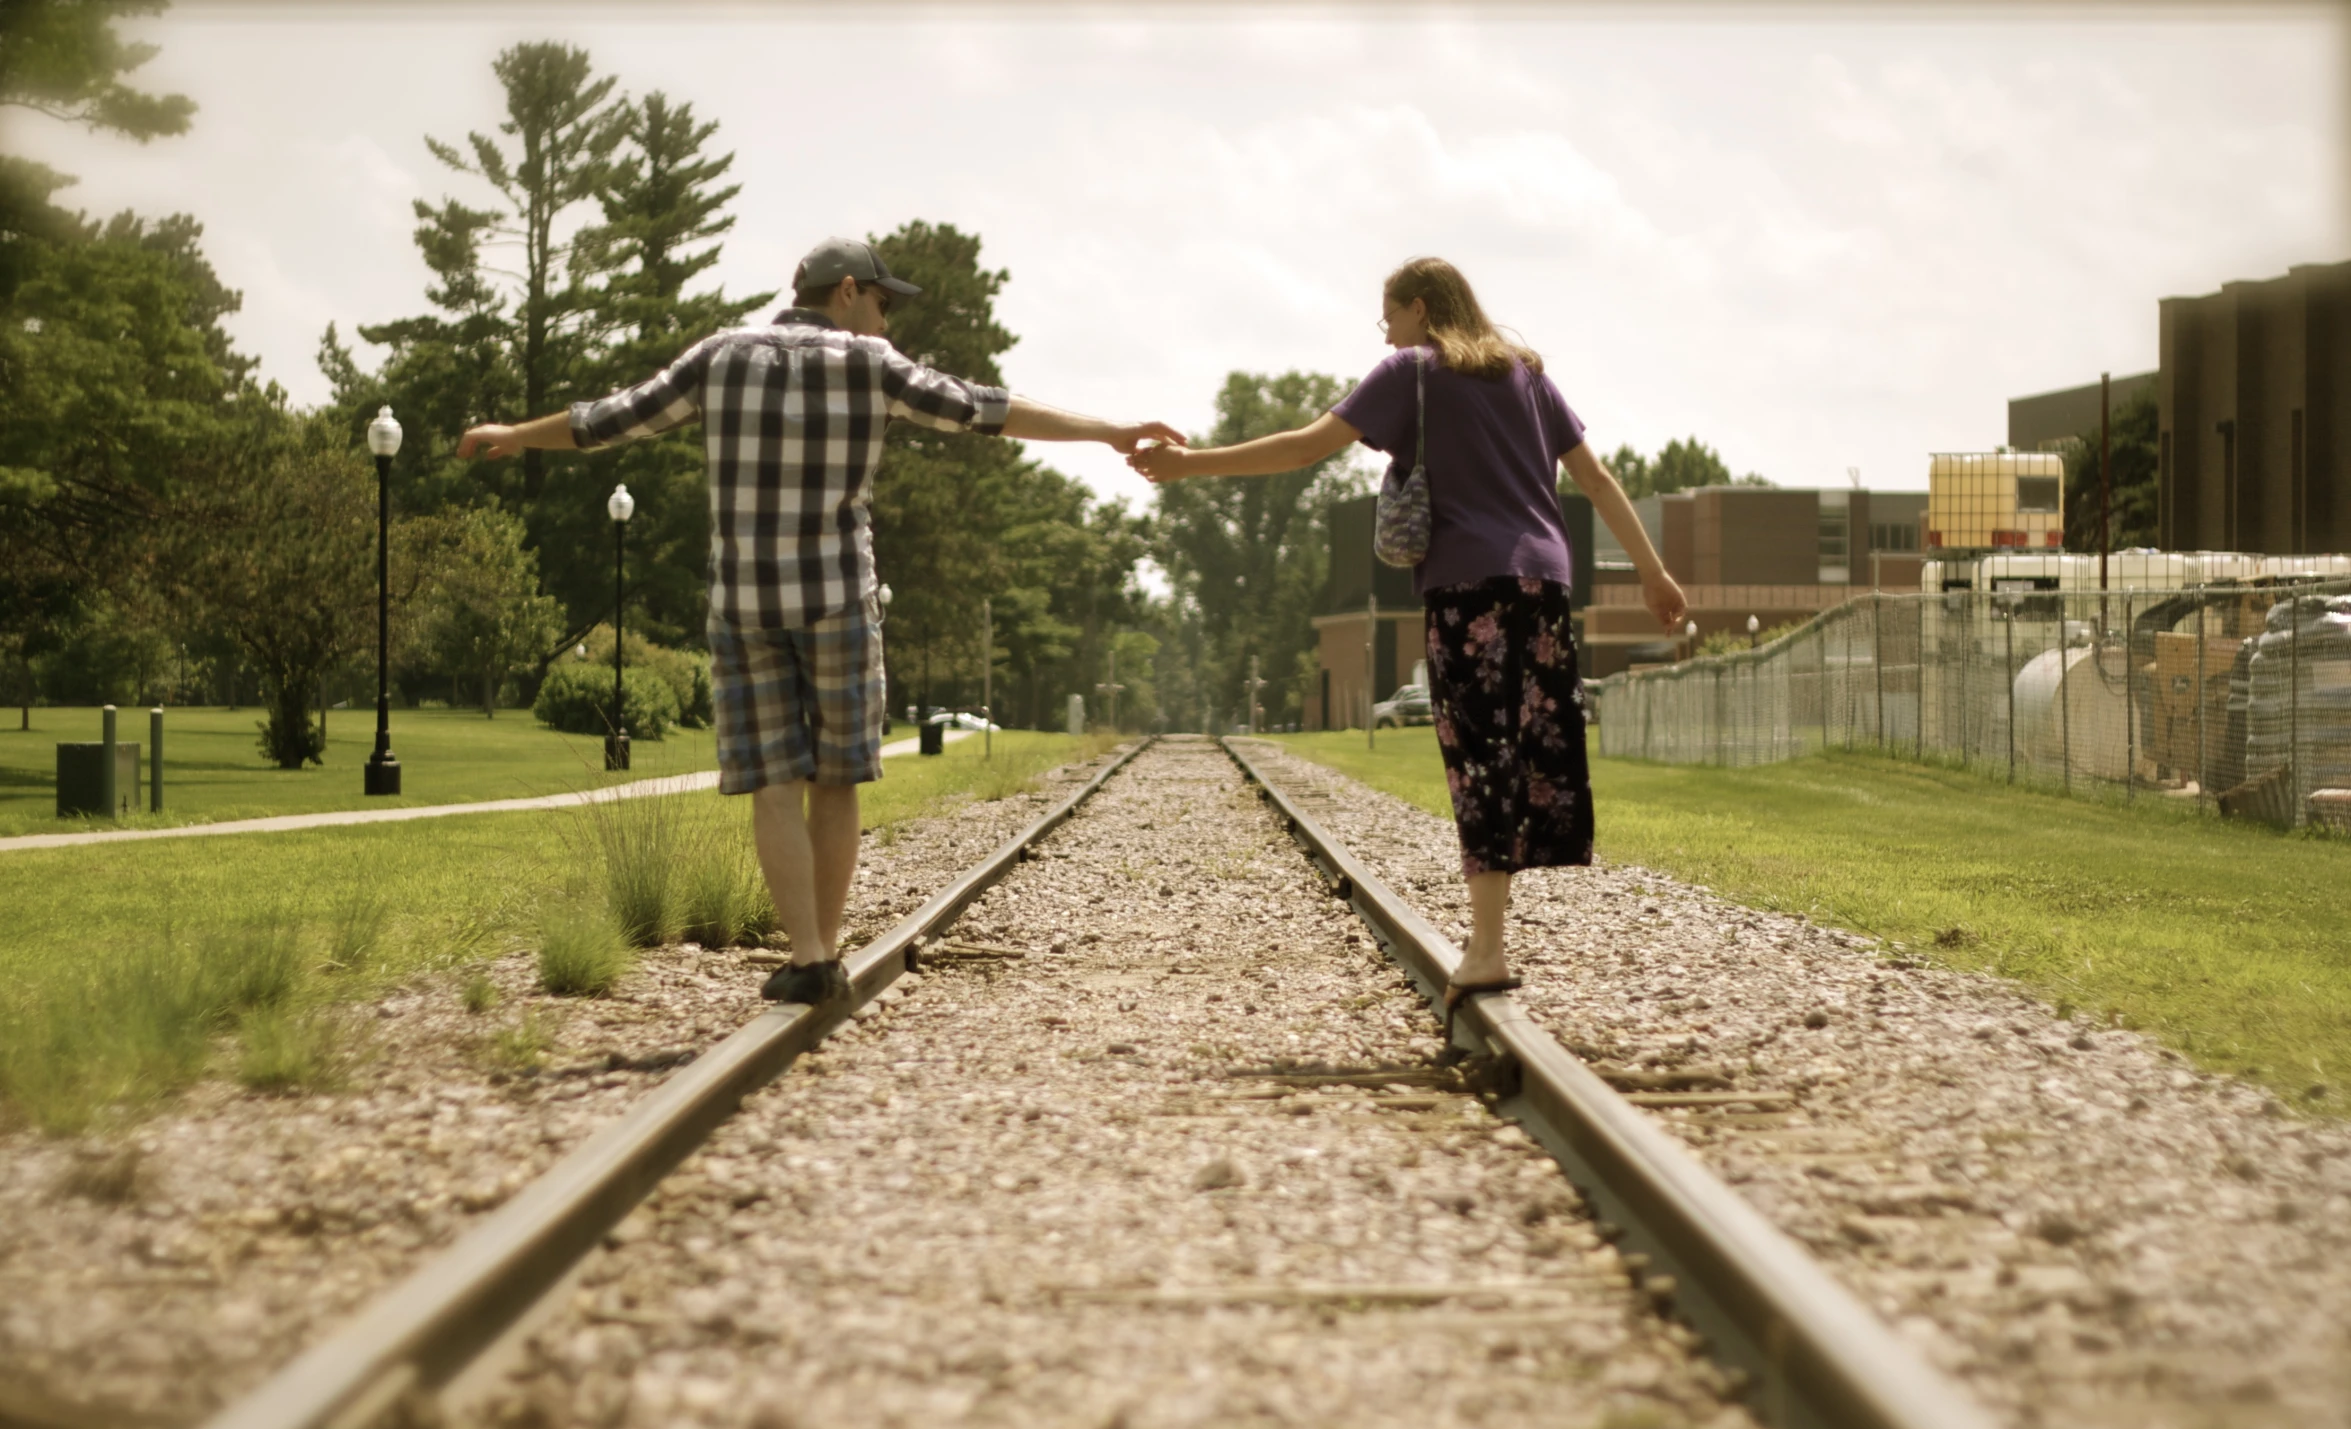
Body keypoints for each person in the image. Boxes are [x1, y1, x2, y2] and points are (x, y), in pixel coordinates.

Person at [459, 236, 1183, 1006]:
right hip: (838, 598)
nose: (886, 320)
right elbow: (988, 410)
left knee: (775, 782)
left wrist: (515, 433)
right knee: (835, 780)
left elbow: (604, 421)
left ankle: (804, 955)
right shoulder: (872, 365)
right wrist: (1111, 430)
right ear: (847, 292)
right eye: (882, 303)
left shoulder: (718, 356)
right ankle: (827, 956)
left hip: (744, 605)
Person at [1130, 256, 1686, 1010]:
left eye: (1387, 316)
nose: (1385, 333)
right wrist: (1652, 574)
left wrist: (1192, 466)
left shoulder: (1409, 372)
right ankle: (1494, 932)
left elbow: (1304, 447)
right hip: (1545, 582)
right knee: (1529, 748)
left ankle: (1487, 947)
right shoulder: (1527, 375)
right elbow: (1596, 480)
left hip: (1467, 583)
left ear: (1419, 309)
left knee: (1478, 755)